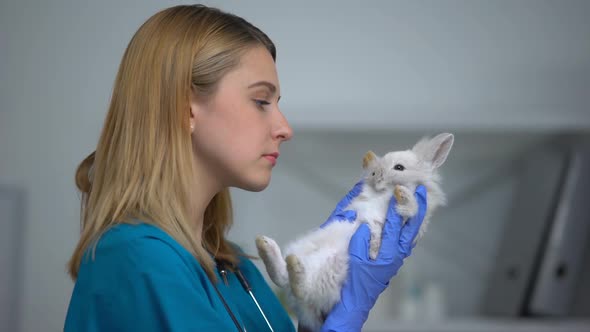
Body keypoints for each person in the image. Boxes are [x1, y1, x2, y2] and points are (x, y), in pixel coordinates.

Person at [64, 4, 427, 332]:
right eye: (260, 101)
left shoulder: (235, 267)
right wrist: (345, 322)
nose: (285, 128)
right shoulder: (135, 260)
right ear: (184, 108)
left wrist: (324, 312)